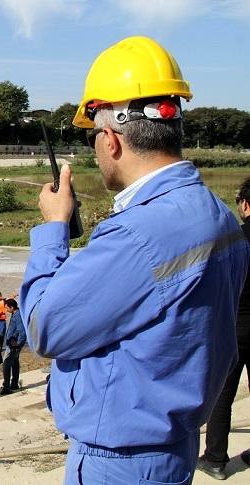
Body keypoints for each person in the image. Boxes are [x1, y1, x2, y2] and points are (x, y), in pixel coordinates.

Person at [19, 36, 249, 484]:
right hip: (173, 446)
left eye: (91, 137)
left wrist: (53, 229)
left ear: (111, 139)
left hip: (120, 461)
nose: (94, 148)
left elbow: (44, 327)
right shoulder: (218, 216)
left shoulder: (139, 235)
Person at [197, 177, 250, 480]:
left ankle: (216, 458)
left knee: (222, 395)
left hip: (235, 326)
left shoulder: (235, 240)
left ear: (245, 204)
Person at [0, 299, 26, 395]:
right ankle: (14, 384)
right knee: (14, 363)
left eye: (6, 307)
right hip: (13, 343)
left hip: (13, 345)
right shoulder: (16, 314)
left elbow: (22, 332)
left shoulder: (17, 316)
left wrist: (18, 344)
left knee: (6, 364)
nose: (5, 309)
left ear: (12, 307)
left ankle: (6, 386)